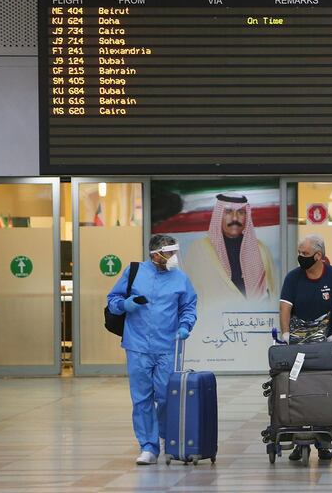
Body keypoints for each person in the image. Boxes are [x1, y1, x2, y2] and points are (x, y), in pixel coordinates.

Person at [106, 234, 197, 465]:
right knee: (141, 399)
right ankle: (148, 446)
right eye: (170, 253)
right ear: (156, 254)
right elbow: (113, 300)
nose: (174, 257)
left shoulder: (181, 279)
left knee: (167, 397)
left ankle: (168, 436)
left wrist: (185, 326)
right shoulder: (134, 272)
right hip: (136, 346)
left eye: (175, 252)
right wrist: (125, 304)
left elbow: (188, 306)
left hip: (167, 346)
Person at [279, 234, 332, 461]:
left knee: (324, 389)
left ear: (318, 256)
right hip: (298, 345)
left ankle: (323, 441)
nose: (300, 257)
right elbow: (284, 308)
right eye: (299, 253)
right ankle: (298, 440)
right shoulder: (293, 278)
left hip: (325, 345)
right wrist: (285, 335)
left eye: (305, 254)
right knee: (297, 389)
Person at [182, 193, 278, 302]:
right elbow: (189, 294)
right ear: (218, 215)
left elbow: (272, 291)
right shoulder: (199, 249)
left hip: (253, 316)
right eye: (228, 212)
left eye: (241, 212)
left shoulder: (261, 249)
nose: (235, 218)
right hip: (213, 317)